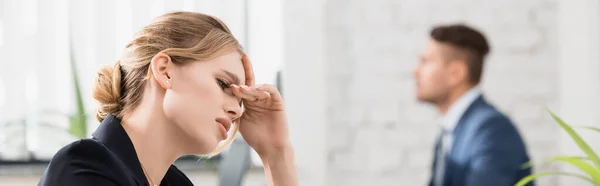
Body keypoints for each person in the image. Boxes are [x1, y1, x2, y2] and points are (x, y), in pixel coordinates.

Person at [38, 11, 297, 186]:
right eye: (223, 84)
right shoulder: (84, 168)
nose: (238, 111)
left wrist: (276, 154)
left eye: (240, 99)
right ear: (164, 71)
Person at [414, 24, 533, 186]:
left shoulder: (491, 130)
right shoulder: (450, 130)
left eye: (426, 62)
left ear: (456, 73)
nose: (416, 71)